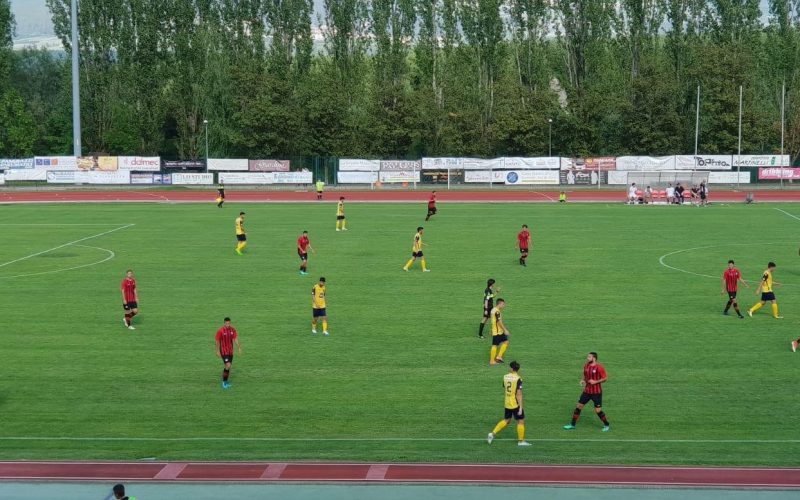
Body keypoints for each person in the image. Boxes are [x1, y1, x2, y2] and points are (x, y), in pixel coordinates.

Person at [486, 361, 531, 447]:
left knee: (507, 420)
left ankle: (492, 434)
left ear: (512, 368)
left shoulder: (505, 377)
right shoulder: (518, 379)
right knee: (521, 421)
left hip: (507, 402)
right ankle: (521, 441)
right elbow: (519, 394)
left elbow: (505, 387)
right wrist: (521, 407)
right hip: (515, 403)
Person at [563, 352, 611, 432]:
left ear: (594, 358)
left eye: (589, 357)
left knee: (598, 411)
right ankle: (572, 425)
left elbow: (605, 378)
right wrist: (583, 380)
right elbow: (585, 374)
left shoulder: (599, 367)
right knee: (578, 406)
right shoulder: (586, 365)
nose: (587, 358)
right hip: (587, 391)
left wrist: (595, 382)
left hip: (596, 393)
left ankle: (606, 424)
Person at [215, 317, 242, 389]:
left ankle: (225, 381)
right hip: (224, 351)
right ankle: (224, 383)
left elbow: (235, 338)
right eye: (226, 323)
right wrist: (217, 351)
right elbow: (217, 341)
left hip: (230, 351)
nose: (228, 324)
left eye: (229, 323)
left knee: (228, 367)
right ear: (224, 323)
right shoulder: (220, 331)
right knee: (228, 365)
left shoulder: (232, 329)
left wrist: (239, 347)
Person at [489, 299, 510, 365]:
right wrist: (505, 330)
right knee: (495, 345)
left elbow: (493, 320)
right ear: (499, 304)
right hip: (497, 331)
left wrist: (491, 329)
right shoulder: (497, 312)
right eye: (503, 304)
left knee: (506, 342)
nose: (504, 305)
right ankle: (492, 361)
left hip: (498, 331)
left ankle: (499, 356)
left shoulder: (493, 309)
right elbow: (499, 322)